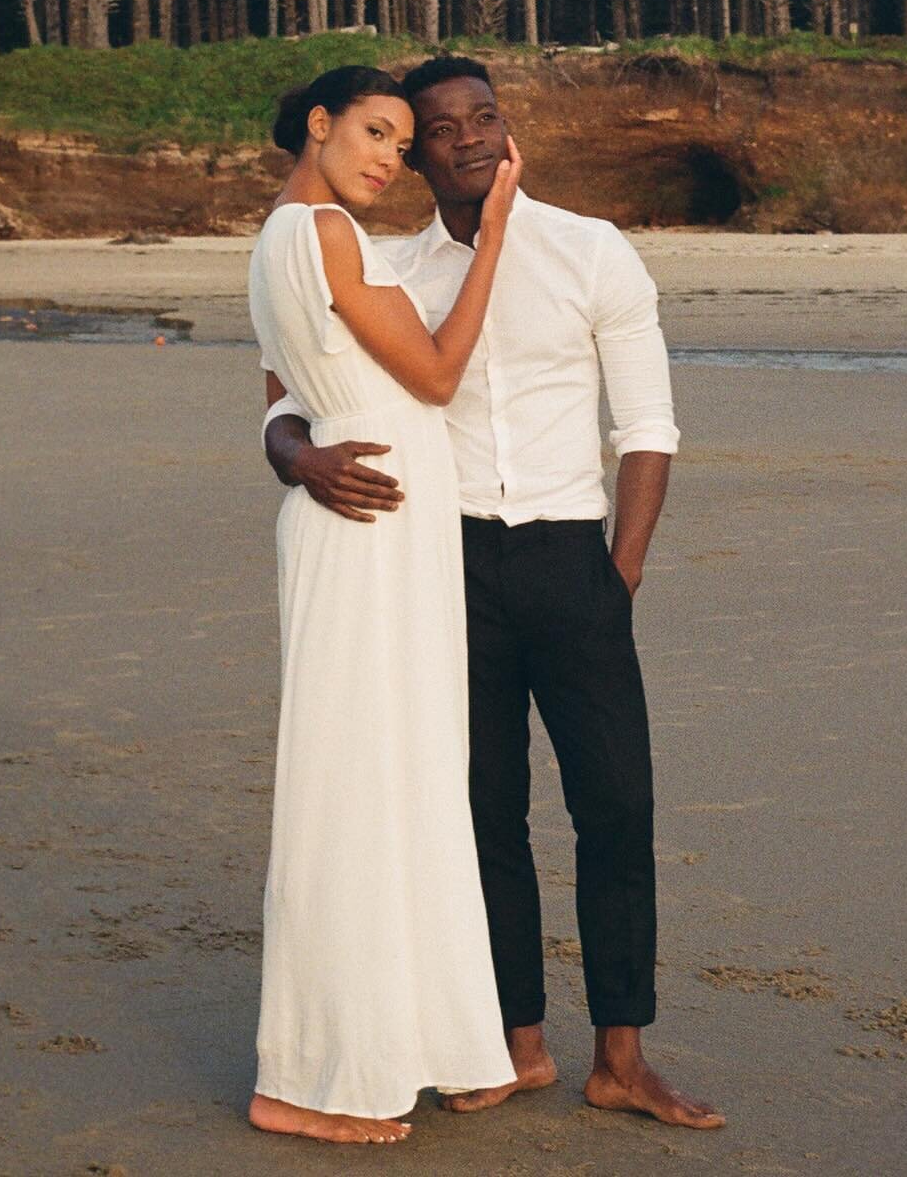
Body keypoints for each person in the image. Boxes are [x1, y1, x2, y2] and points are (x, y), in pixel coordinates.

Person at [264, 56, 726, 1132]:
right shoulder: (389, 264)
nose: (468, 136)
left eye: (485, 116)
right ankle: (515, 1043)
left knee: (619, 804)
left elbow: (646, 425)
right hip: (443, 564)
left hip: (576, 557)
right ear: (413, 151)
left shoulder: (591, 249)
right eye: (439, 126)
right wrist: (296, 460)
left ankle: (621, 1055)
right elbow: (287, 396)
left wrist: (621, 568)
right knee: (481, 814)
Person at [245, 63, 522, 1147]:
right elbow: (440, 375)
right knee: (354, 792)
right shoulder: (323, 236)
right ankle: (305, 1082)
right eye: (373, 131)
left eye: (400, 148)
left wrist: (298, 452)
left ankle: (409, 1046)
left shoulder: (278, 238)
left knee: (394, 784)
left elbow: (284, 404)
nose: (387, 160)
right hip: (364, 542)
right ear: (318, 124)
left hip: (374, 534)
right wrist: (493, 232)